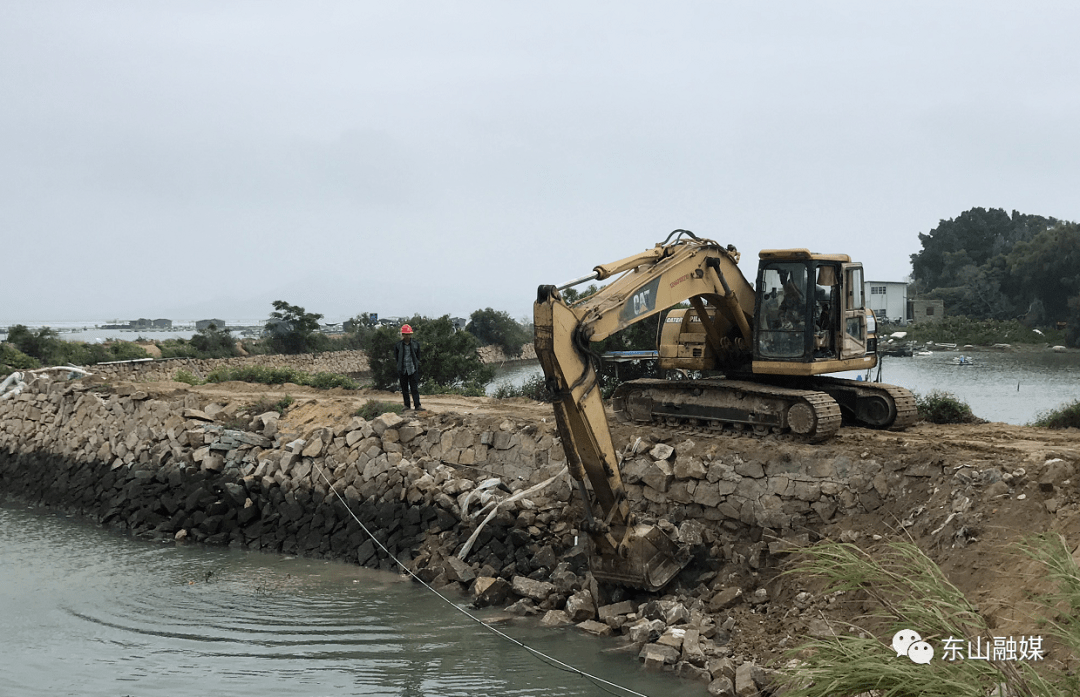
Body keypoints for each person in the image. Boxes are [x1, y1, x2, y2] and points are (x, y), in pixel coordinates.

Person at [394, 324, 422, 410]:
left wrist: (415, 365)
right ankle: (407, 405)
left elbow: (418, 356)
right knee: (404, 388)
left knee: (414, 388)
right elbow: (396, 357)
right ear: (402, 335)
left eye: (409, 334)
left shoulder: (415, 344)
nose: (407, 336)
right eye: (406, 334)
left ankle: (417, 405)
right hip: (403, 370)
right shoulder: (398, 345)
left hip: (412, 369)